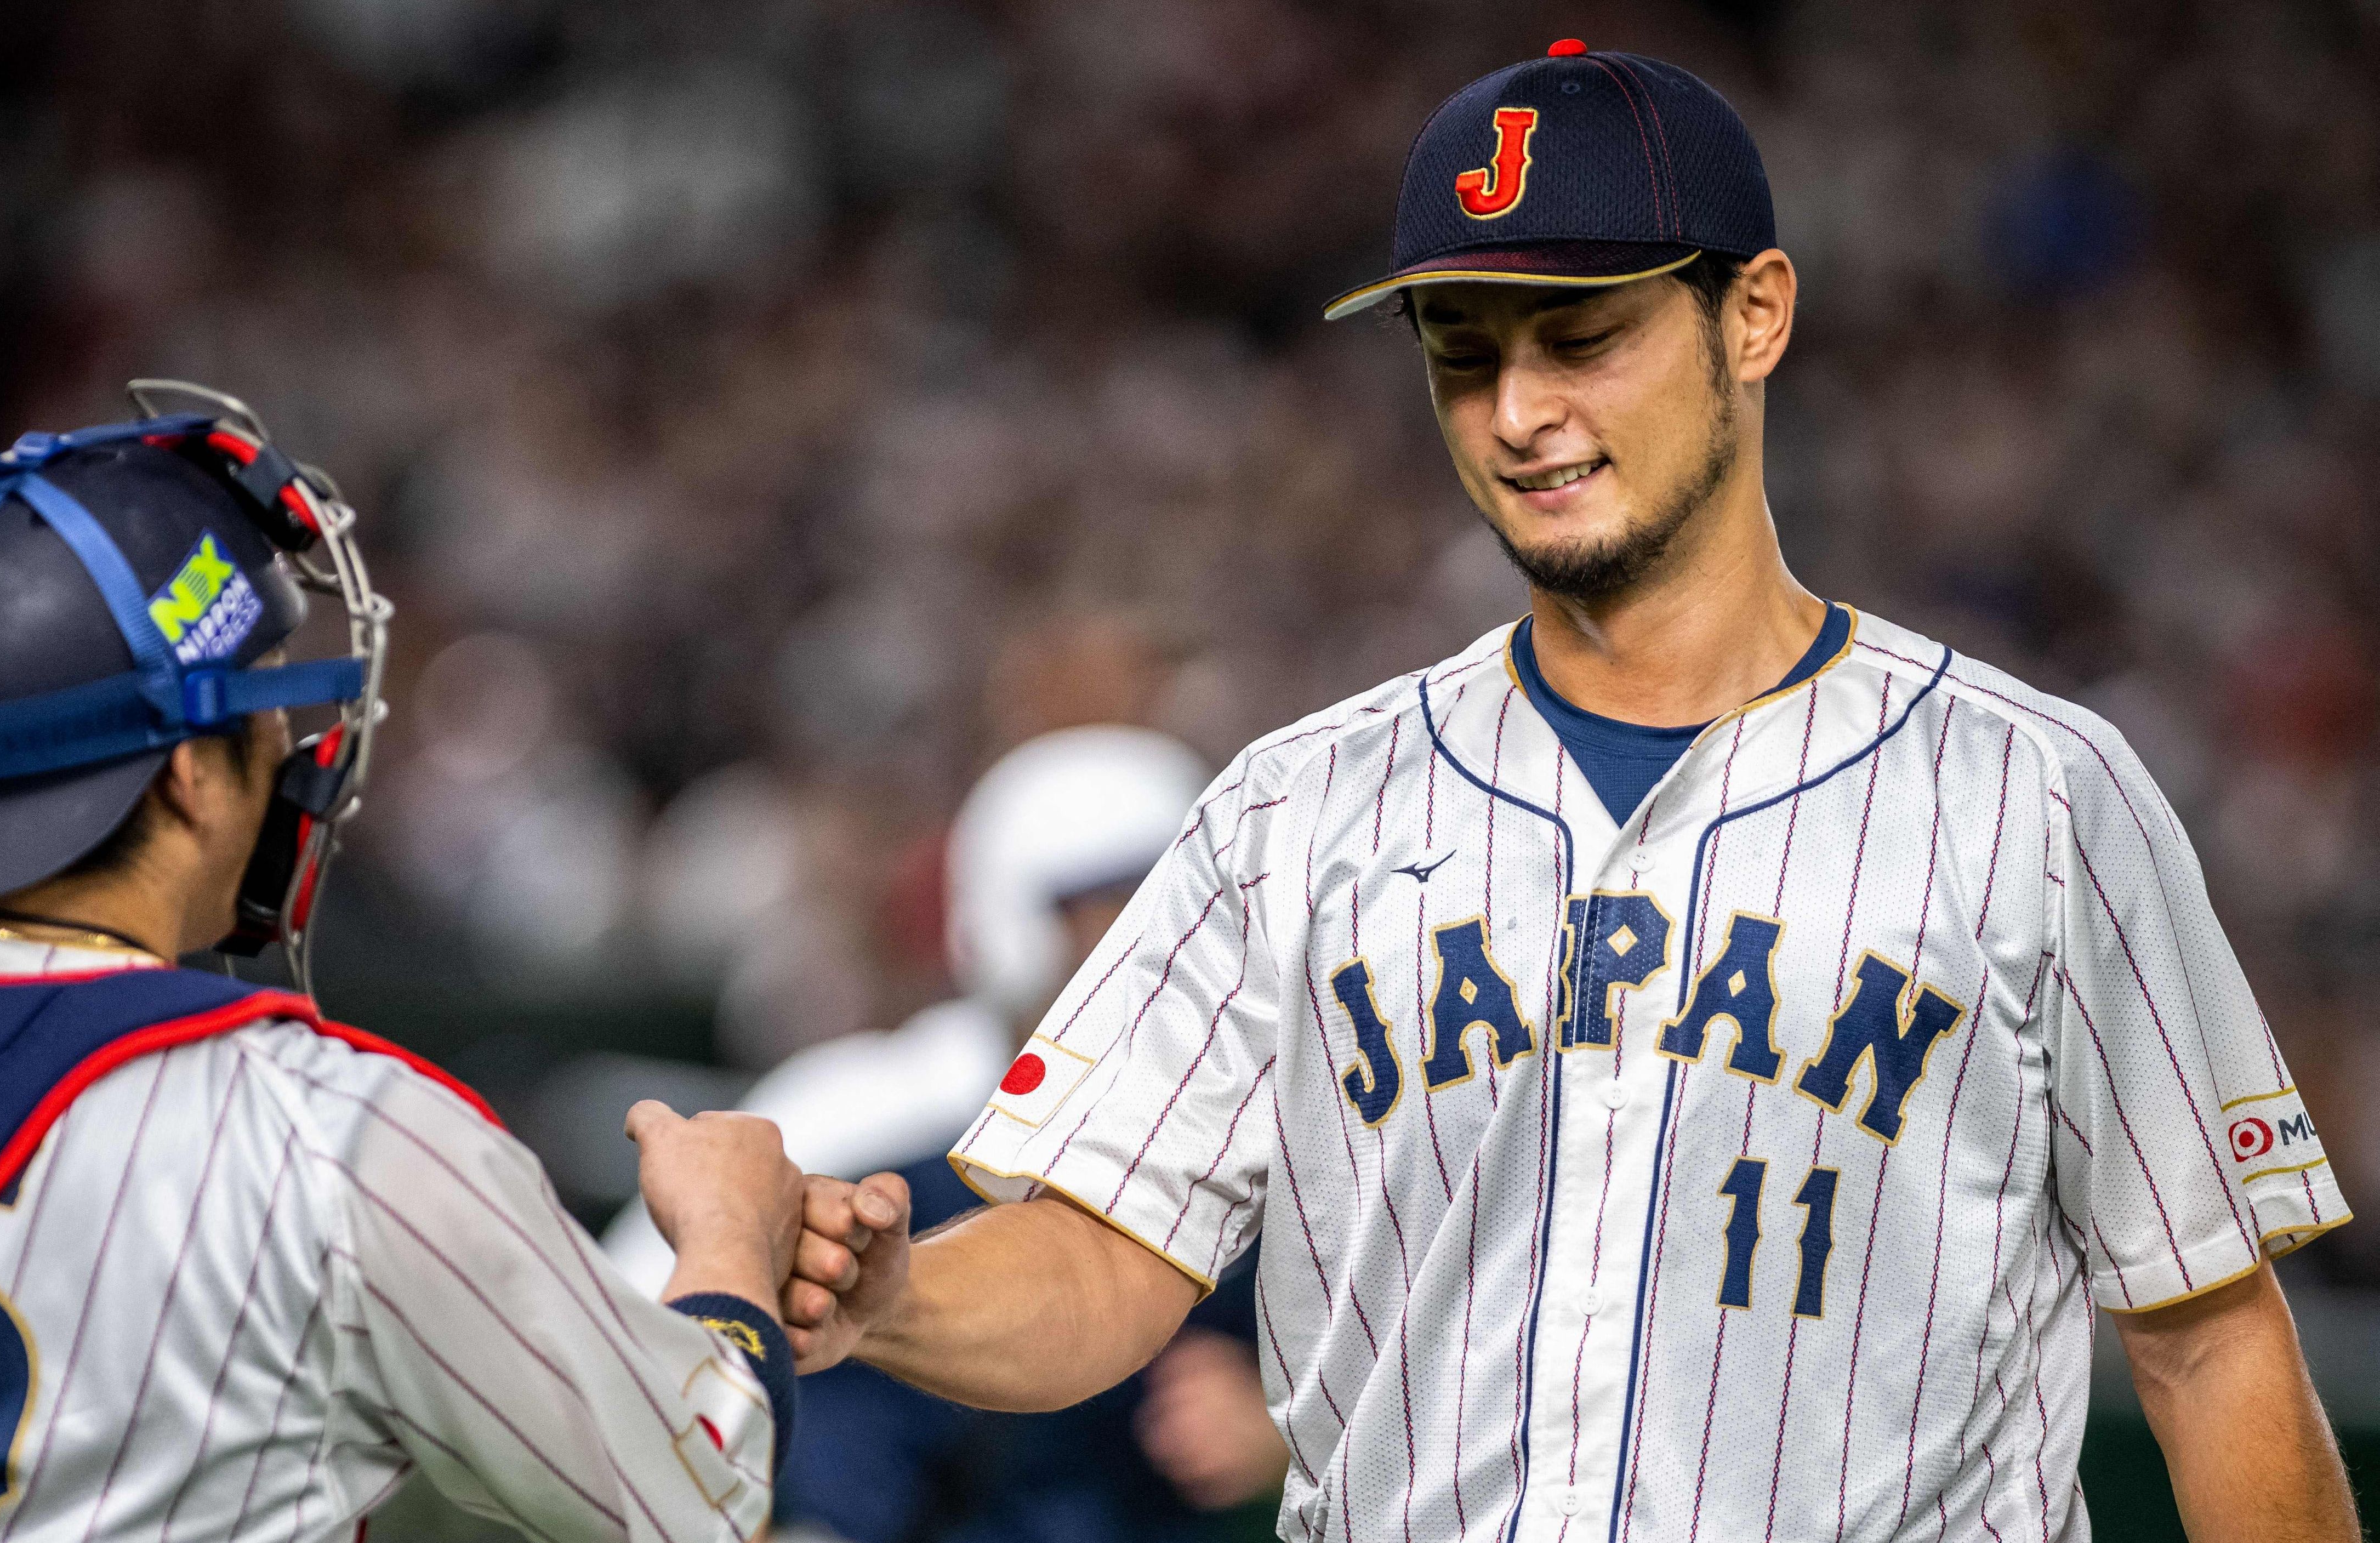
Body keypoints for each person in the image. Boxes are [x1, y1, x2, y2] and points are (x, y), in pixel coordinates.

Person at [779, 42, 2362, 1543]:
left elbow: (2204, 1336)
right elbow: (1104, 1255)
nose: (1516, 413)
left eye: (1581, 338)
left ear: (1752, 315)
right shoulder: (1294, 810)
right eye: (1461, 357)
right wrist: (898, 1300)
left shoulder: (2034, 796)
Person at [0, 385, 809, 1542]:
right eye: (263, 704)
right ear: (186, 773)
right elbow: (702, 1493)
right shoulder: (337, 1135)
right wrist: (728, 1239)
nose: (291, 748)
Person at [608, 724, 1290, 1540]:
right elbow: (639, 1367)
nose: (1155, 947)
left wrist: (1285, 1433)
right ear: (1007, 920)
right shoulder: (857, 1117)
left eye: (1186, 906)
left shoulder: (1276, 1118)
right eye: (1106, 905)